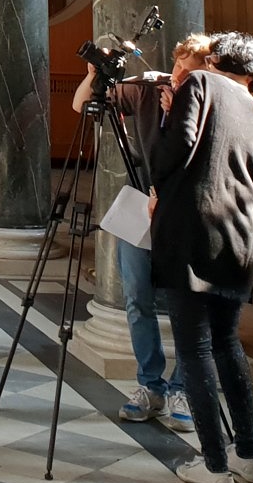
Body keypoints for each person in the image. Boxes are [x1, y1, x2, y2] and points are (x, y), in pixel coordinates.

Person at [150, 32, 253, 483]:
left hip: (193, 233)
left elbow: (173, 154)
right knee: (227, 345)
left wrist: (164, 121)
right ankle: (248, 455)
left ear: (219, 58)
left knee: (195, 350)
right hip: (242, 237)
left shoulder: (201, 82)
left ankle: (214, 466)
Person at [71, 32, 213, 434]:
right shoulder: (150, 91)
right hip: (144, 205)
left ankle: (183, 387)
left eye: (192, 71)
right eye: (178, 67)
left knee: (191, 303)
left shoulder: (214, 104)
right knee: (136, 297)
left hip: (191, 212)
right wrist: (94, 73)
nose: (180, 77)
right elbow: (82, 104)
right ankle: (150, 386)